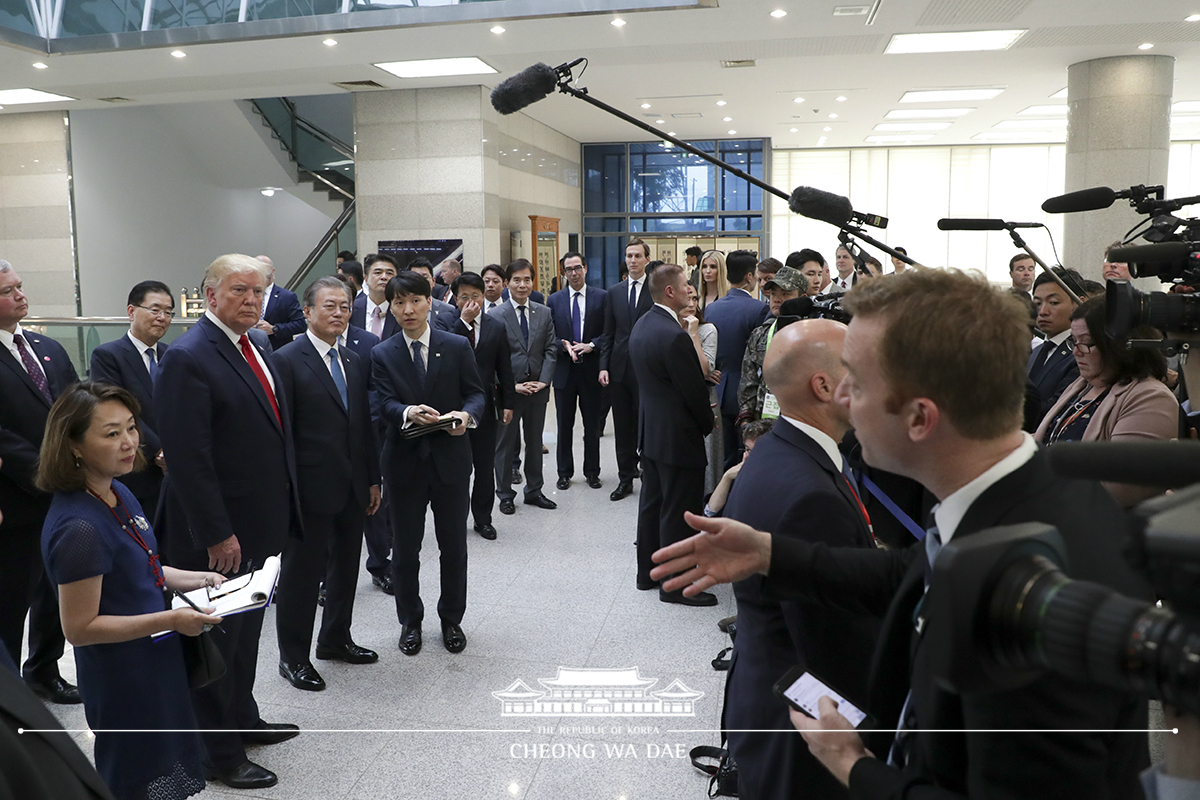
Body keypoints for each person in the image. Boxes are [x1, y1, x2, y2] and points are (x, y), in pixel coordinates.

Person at [652, 268, 1152, 800]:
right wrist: (770, 553)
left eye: (857, 382)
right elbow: (919, 571)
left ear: (920, 418)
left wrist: (855, 768)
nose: (839, 395)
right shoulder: (1002, 494)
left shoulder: (1036, 590)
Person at [156, 253, 303, 790]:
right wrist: (217, 532)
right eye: (239, 290)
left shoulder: (257, 344)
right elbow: (188, 457)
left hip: (260, 521)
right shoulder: (189, 356)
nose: (251, 300)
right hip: (220, 534)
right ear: (210, 295)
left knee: (246, 634)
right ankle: (217, 753)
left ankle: (242, 719)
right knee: (216, 641)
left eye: (259, 291)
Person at [36, 382, 223, 800]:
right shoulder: (78, 528)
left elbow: (143, 567)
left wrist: (195, 578)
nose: (129, 442)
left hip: (155, 655)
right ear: (74, 446)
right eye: (111, 433)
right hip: (124, 673)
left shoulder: (117, 492)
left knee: (166, 765)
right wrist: (172, 619)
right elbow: (80, 628)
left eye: (132, 428)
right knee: (134, 777)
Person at [723, 319, 880, 800]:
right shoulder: (811, 496)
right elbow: (834, 647)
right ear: (825, 385)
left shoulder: (776, 449)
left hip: (761, 693)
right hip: (798, 734)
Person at [272, 277, 382, 692]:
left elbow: (363, 428)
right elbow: (281, 435)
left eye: (345, 307)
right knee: (302, 575)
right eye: (330, 306)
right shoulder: (285, 359)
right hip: (309, 489)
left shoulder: (354, 360)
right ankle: (293, 657)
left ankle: (335, 639)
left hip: (352, 485)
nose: (339, 313)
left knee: (344, 568)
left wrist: (372, 479)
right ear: (307, 312)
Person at [371, 271, 485, 657]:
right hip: (404, 465)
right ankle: (410, 621)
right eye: (399, 302)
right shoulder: (382, 352)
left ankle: (451, 618)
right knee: (405, 550)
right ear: (391, 307)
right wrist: (405, 410)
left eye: (415, 300)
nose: (408, 310)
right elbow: (382, 403)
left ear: (430, 302)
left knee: (454, 546)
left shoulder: (455, 346)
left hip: (451, 461)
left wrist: (466, 417)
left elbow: (476, 394)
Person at [0, 260, 81, 705]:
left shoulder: (45, 347)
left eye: (20, 287)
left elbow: (74, 409)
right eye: (8, 291)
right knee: (13, 601)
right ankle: (10, 694)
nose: (20, 296)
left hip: (63, 492)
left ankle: (45, 671)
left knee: (57, 592)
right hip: (18, 498)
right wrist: (47, 473)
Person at [1035, 296, 1180, 506]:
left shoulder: (1150, 398)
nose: (1076, 351)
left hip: (1101, 528)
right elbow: (1050, 438)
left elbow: (1122, 484)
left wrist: (1034, 484)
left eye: (1086, 343)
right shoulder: (1083, 385)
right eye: (1073, 341)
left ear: (1118, 345)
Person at [631, 263, 715, 603]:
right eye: (685, 286)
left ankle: (646, 575)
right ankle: (677, 585)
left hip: (651, 434)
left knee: (652, 505)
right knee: (680, 510)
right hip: (678, 436)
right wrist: (708, 424)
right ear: (670, 292)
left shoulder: (643, 325)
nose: (690, 291)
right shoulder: (675, 336)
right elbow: (693, 391)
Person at [88, 280, 173, 536]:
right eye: (155, 309)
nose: (162, 318)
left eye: (168, 312)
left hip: (177, 471)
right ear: (131, 311)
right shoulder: (108, 355)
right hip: (137, 467)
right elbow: (117, 409)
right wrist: (158, 450)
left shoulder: (174, 355)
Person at [491, 259, 558, 513]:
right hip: (509, 393)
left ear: (533, 282)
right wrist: (510, 387)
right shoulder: (495, 316)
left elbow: (551, 348)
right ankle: (505, 494)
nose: (522, 285)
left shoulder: (544, 312)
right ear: (507, 283)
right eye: (517, 280)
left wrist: (544, 381)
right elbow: (491, 358)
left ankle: (534, 491)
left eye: (527, 279)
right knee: (505, 445)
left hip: (537, 391)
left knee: (534, 442)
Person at [451, 272, 515, 540]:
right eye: (464, 297)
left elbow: (505, 367)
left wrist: (508, 403)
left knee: (484, 465)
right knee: (457, 467)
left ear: (484, 296)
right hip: (454, 405)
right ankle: (455, 518)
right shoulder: (447, 325)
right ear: (456, 299)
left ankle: (483, 518)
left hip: (487, 405)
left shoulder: (495, 325)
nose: (470, 302)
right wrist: (463, 323)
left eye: (475, 296)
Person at [705, 249, 771, 471]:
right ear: (749, 277)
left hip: (717, 387)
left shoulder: (711, 309)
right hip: (746, 393)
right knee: (746, 453)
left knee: (722, 454)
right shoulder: (759, 309)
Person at [600, 238, 655, 501]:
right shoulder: (615, 291)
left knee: (646, 424)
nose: (632, 260)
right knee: (622, 427)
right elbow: (608, 333)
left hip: (647, 370)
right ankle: (625, 479)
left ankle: (648, 472)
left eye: (637, 256)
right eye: (629, 256)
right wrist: (603, 366)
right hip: (619, 370)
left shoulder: (656, 290)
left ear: (647, 259)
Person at [547, 252, 608, 492]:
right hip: (565, 371)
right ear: (563, 273)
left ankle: (592, 472)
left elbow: (608, 333)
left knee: (592, 426)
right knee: (564, 424)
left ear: (585, 269)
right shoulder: (554, 300)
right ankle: (564, 473)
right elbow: (549, 334)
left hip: (591, 370)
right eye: (569, 269)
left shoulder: (601, 297)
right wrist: (563, 344)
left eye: (577, 268)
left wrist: (591, 345)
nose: (574, 273)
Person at [738, 266, 807, 425]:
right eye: (773, 293)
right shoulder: (760, 334)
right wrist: (746, 421)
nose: (777, 299)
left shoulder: (813, 334)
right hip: (763, 422)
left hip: (800, 423)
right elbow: (748, 383)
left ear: (802, 298)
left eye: (785, 294)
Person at [1029, 267, 1086, 423]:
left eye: (1053, 302)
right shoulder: (1036, 351)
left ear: (1077, 303)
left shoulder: (1082, 354)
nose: (1043, 311)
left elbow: (1055, 411)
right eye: (1037, 303)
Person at [682, 284, 722, 495]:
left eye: (695, 299)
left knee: (708, 460)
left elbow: (706, 368)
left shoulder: (708, 330)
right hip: (679, 403)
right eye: (687, 298)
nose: (691, 304)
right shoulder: (669, 328)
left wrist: (694, 334)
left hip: (705, 399)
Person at [704, 418, 771, 517]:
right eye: (748, 450)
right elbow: (710, 512)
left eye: (756, 451)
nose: (749, 456)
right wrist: (727, 477)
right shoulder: (740, 475)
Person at [252, 255, 306, 351]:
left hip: (277, 350)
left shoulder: (287, 296)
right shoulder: (247, 295)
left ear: (272, 271)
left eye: (263, 269)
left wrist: (274, 329)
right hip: (251, 349)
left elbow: (300, 325)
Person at [352, 256, 400, 340]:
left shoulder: (401, 310)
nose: (384, 277)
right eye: (378, 273)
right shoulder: (352, 309)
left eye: (389, 273)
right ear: (366, 279)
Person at [407, 257, 461, 329]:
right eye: (415, 277)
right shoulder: (401, 310)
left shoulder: (448, 310)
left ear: (433, 281)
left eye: (425, 277)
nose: (420, 281)